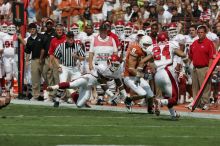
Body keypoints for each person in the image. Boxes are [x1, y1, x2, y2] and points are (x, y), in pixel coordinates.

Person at [137, 32, 186, 120]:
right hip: (167, 72)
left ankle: (173, 114)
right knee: (175, 99)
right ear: (167, 39)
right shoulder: (171, 44)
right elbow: (183, 54)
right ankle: (160, 102)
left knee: (168, 96)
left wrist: (138, 75)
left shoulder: (152, 47)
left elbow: (142, 62)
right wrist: (183, 59)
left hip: (157, 75)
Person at [47, 54, 127, 108]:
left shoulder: (118, 71)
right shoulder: (102, 67)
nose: (115, 67)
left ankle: (72, 92)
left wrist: (125, 97)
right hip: (87, 79)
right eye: (113, 64)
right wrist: (112, 95)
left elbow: (120, 84)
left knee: (79, 105)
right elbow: (102, 84)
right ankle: (53, 87)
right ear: (109, 62)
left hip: (88, 87)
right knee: (73, 84)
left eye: (116, 65)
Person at [52, 31, 85, 107]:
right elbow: (55, 57)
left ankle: (79, 98)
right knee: (63, 83)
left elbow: (83, 57)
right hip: (64, 66)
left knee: (81, 82)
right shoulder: (61, 46)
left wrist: (77, 57)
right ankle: (57, 100)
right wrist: (58, 66)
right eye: (69, 37)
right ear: (66, 38)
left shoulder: (77, 46)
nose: (71, 39)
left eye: (72, 37)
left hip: (74, 67)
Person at [123, 35, 155, 114]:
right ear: (141, 43)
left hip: (138, 76)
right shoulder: (135, 49)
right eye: (145, 45)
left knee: (150, 95)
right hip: (129, 76)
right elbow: (131, 68)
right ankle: (128, 99)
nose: (147, 47)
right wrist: (144, 75)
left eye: (148, 45)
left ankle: (150, 109)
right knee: (143, 93)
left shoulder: (149, 52)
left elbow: (152, 64)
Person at [188, 25, 216, 110]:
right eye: (199, 32)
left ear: (205, 33)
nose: (200, 34)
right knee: (195, 87)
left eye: (202, 32)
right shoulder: (194, 43)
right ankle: (197, 103)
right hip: (195, 68)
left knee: (205, 87)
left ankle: (205, 103)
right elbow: (190, 56)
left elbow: (211, 57)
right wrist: (188, 66)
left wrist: (209, 69)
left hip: (205, 68)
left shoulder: (209, 43)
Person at [25, 23, 45, 101]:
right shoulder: (29, 39)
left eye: (33, 29)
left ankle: (51, 95)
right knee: (35, 79)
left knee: (46, 77)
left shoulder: (41, 36)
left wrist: (41, 58)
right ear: (29, 30)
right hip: (34, 60)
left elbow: (44, 48)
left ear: (36, 29)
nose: (32, 30)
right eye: (31, 29)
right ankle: (36, 95)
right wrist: (27, 60)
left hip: (43, 59)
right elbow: (28, 51)